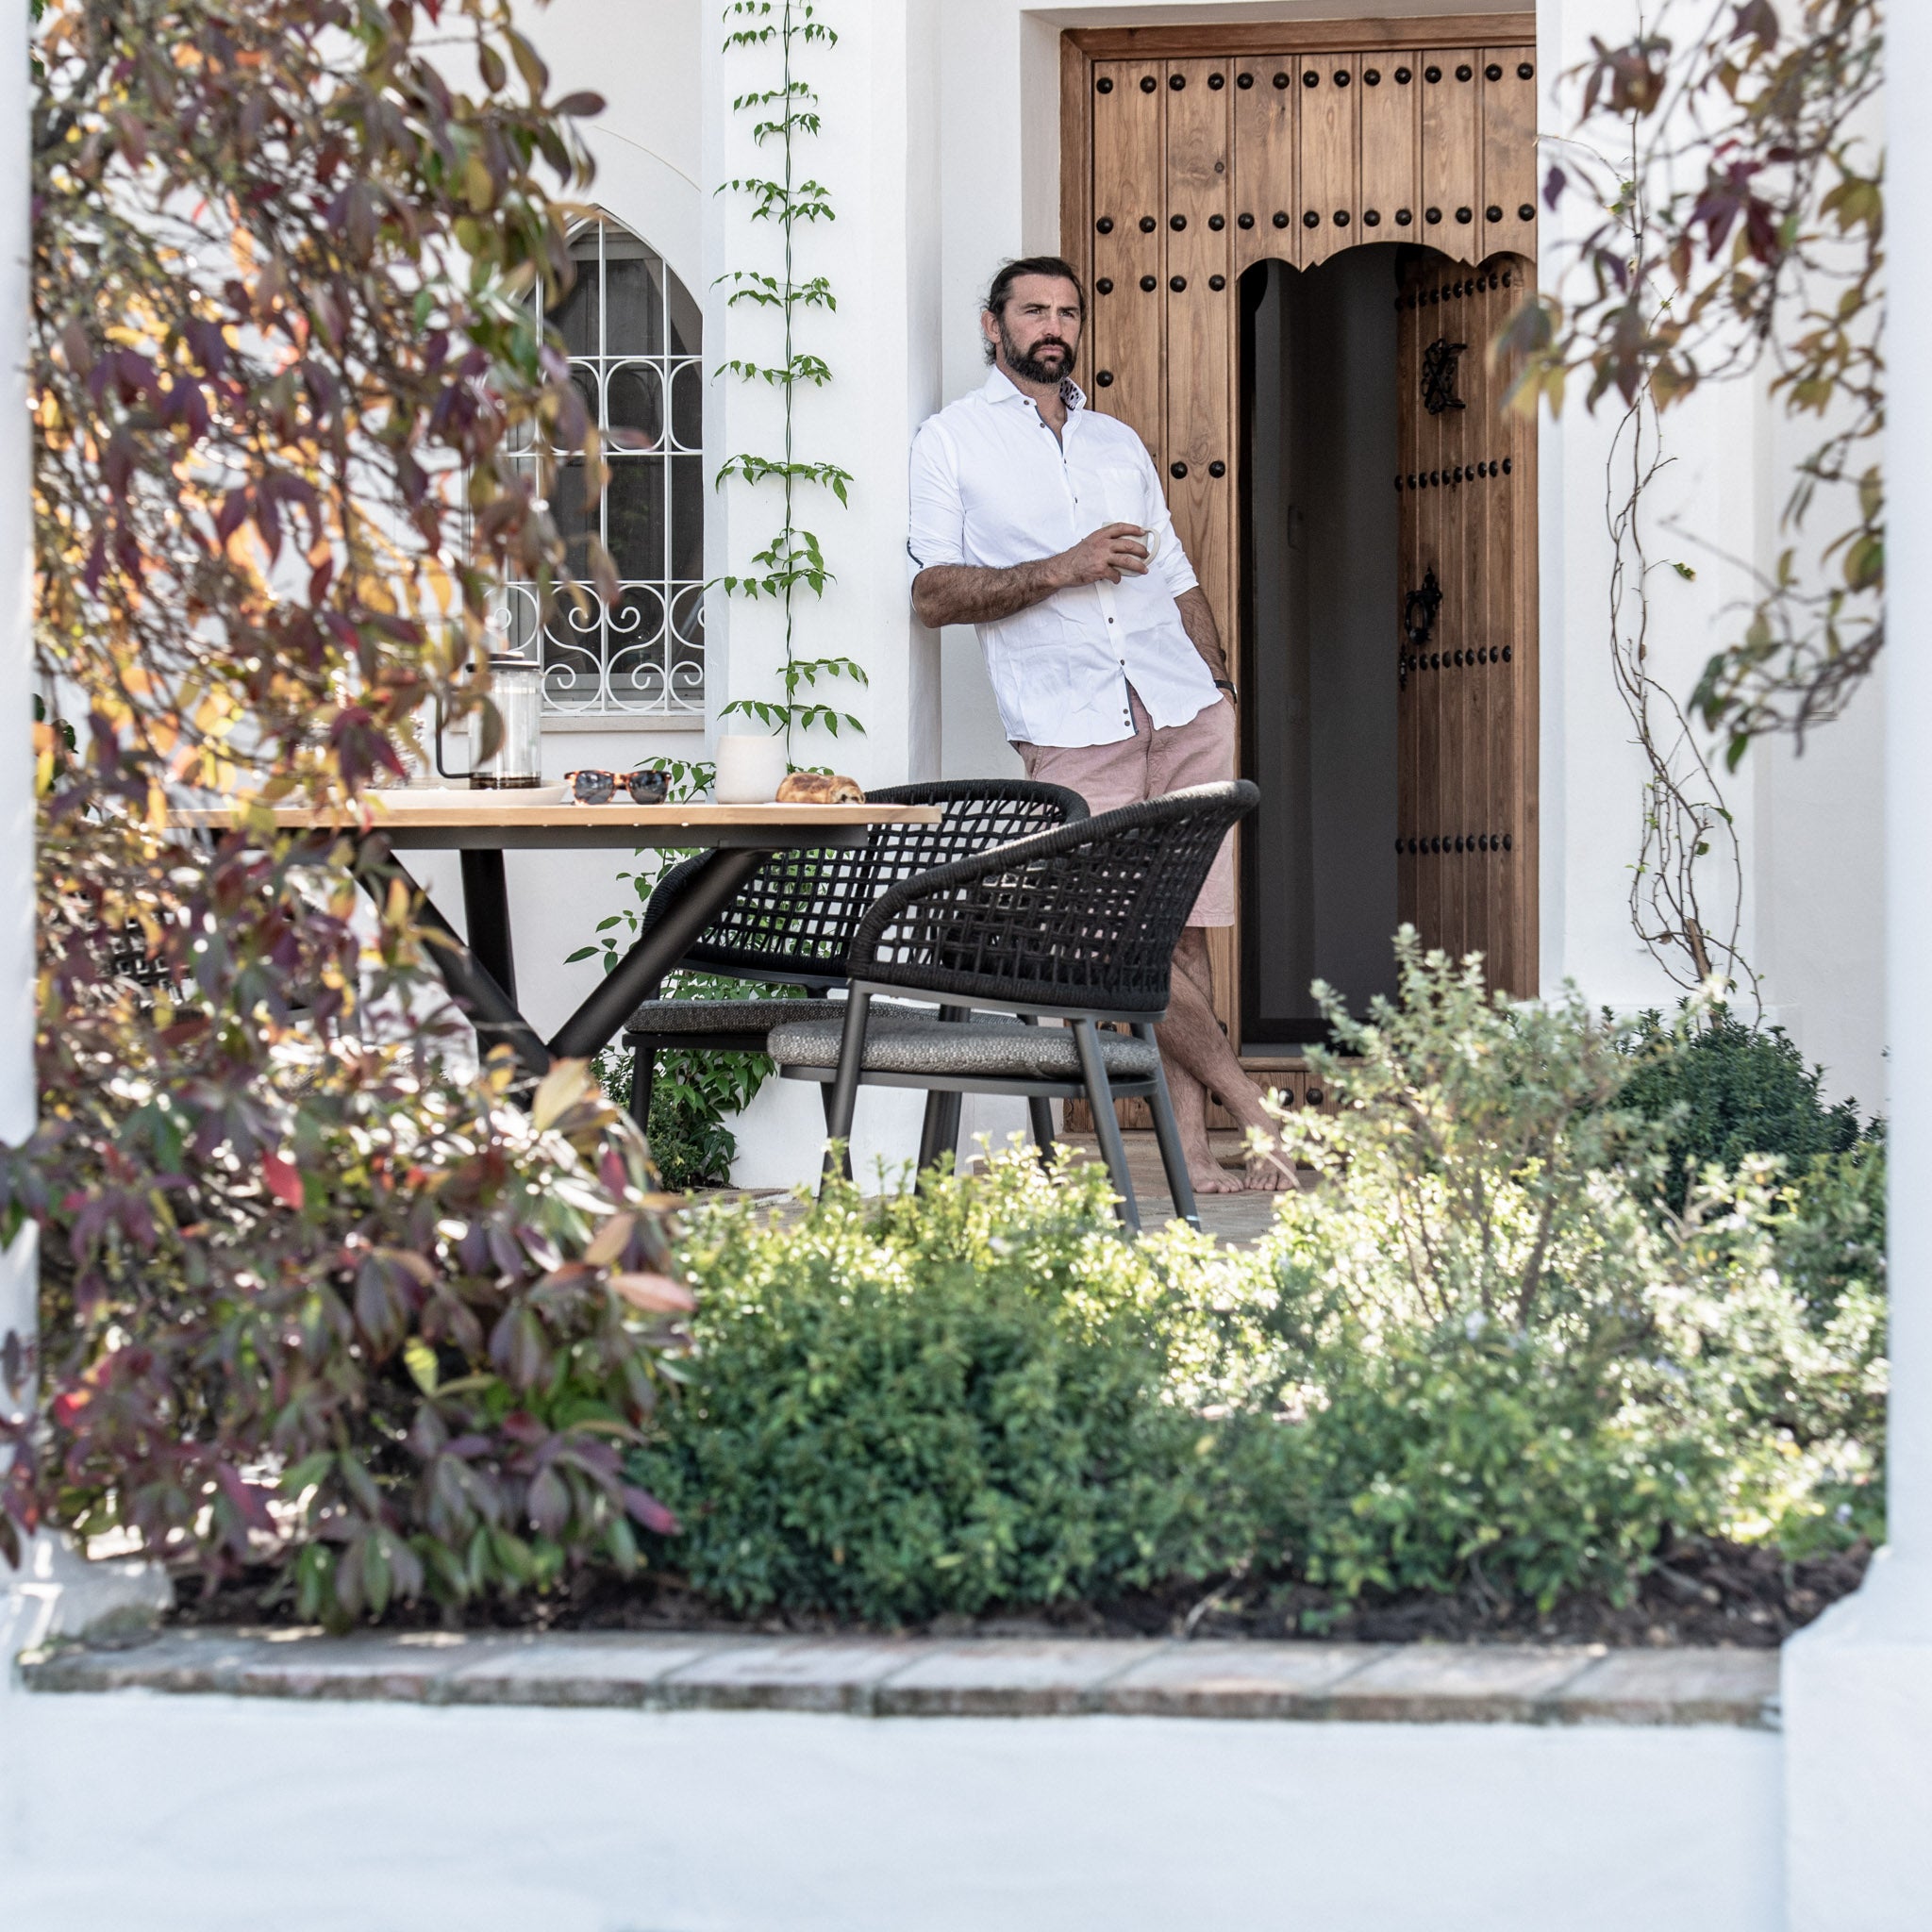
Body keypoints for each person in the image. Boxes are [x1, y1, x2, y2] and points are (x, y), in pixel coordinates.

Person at [906, 256, 1285, 1194]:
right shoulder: (949, 441)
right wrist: (1060, 566)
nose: (1053, 325)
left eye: (1067, 311)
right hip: (1070, 718)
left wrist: (1218, 683)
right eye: (1032, 310)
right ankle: (1250, 1103)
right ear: (990, 326)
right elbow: (932, 594)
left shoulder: (1115, 441)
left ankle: (1194, 1158)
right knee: (1128, 935)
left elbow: (1177, 574)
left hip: (1181, 702)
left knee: (1185, 932)